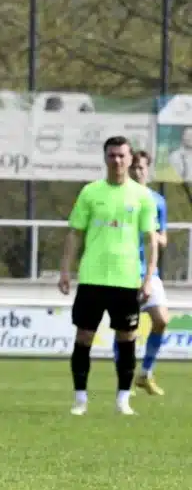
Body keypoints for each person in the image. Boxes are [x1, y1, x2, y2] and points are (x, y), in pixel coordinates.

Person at [58, 136, 158, 416]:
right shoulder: (90, 192)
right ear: (105, 158)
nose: (117, 160)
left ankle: (123, 400)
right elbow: (75, 233)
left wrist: (148, 277)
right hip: (92, 278)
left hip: (126, 279)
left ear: (130, 159)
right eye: (112, 155)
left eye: (122, 156)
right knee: (84, 338)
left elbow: (151, 239)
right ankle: (80, 400)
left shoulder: (142, 196)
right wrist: (65, 270)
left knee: (127, 339)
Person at [126, 150, 169, 397]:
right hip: (125, 271)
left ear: (148, 170)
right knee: (127, 329)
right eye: (134, 168)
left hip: (149, 272)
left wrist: (155, 238)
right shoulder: (122, 198)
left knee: (161, 320)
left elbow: (163, 236)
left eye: (141, 168)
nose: (137, 172)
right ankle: (126, 377)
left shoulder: (157, 201)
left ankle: (145, 374)